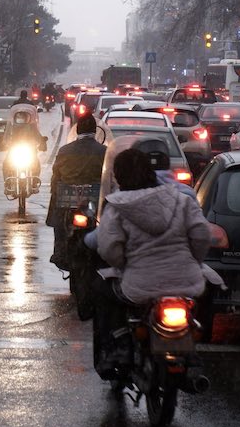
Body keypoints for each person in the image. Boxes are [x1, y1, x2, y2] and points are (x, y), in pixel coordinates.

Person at [93, 148, 213, 370]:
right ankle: (195, 348)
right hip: (186, 281)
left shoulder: (118, 206)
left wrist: (124, 266)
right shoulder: (180, 199)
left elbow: (110, 249)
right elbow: (202, 235)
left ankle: (118, 347)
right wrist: (193, 261)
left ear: (118, 176)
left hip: (138, 286)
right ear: (151, 172)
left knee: (102, 290)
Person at [47, 114, 106, 270]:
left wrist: (56, 192)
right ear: (95, 131)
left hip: (67, 202)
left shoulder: (65, 150)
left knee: (58, 215)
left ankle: (59, 250)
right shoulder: (104, 151)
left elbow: (56, 177)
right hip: (93, 203)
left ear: (77, 130)